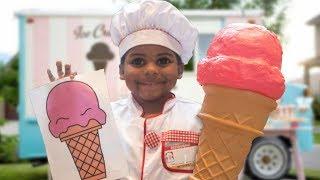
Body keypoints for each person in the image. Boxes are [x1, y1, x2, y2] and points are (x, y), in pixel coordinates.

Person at [47, 0, 202, 179]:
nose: (151, 70)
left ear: (180, 69)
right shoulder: (105, 118)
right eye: (138, 61)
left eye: (163, 61)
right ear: (121, 71)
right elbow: (68, 170)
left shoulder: (200, 118)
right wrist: (68, 107)